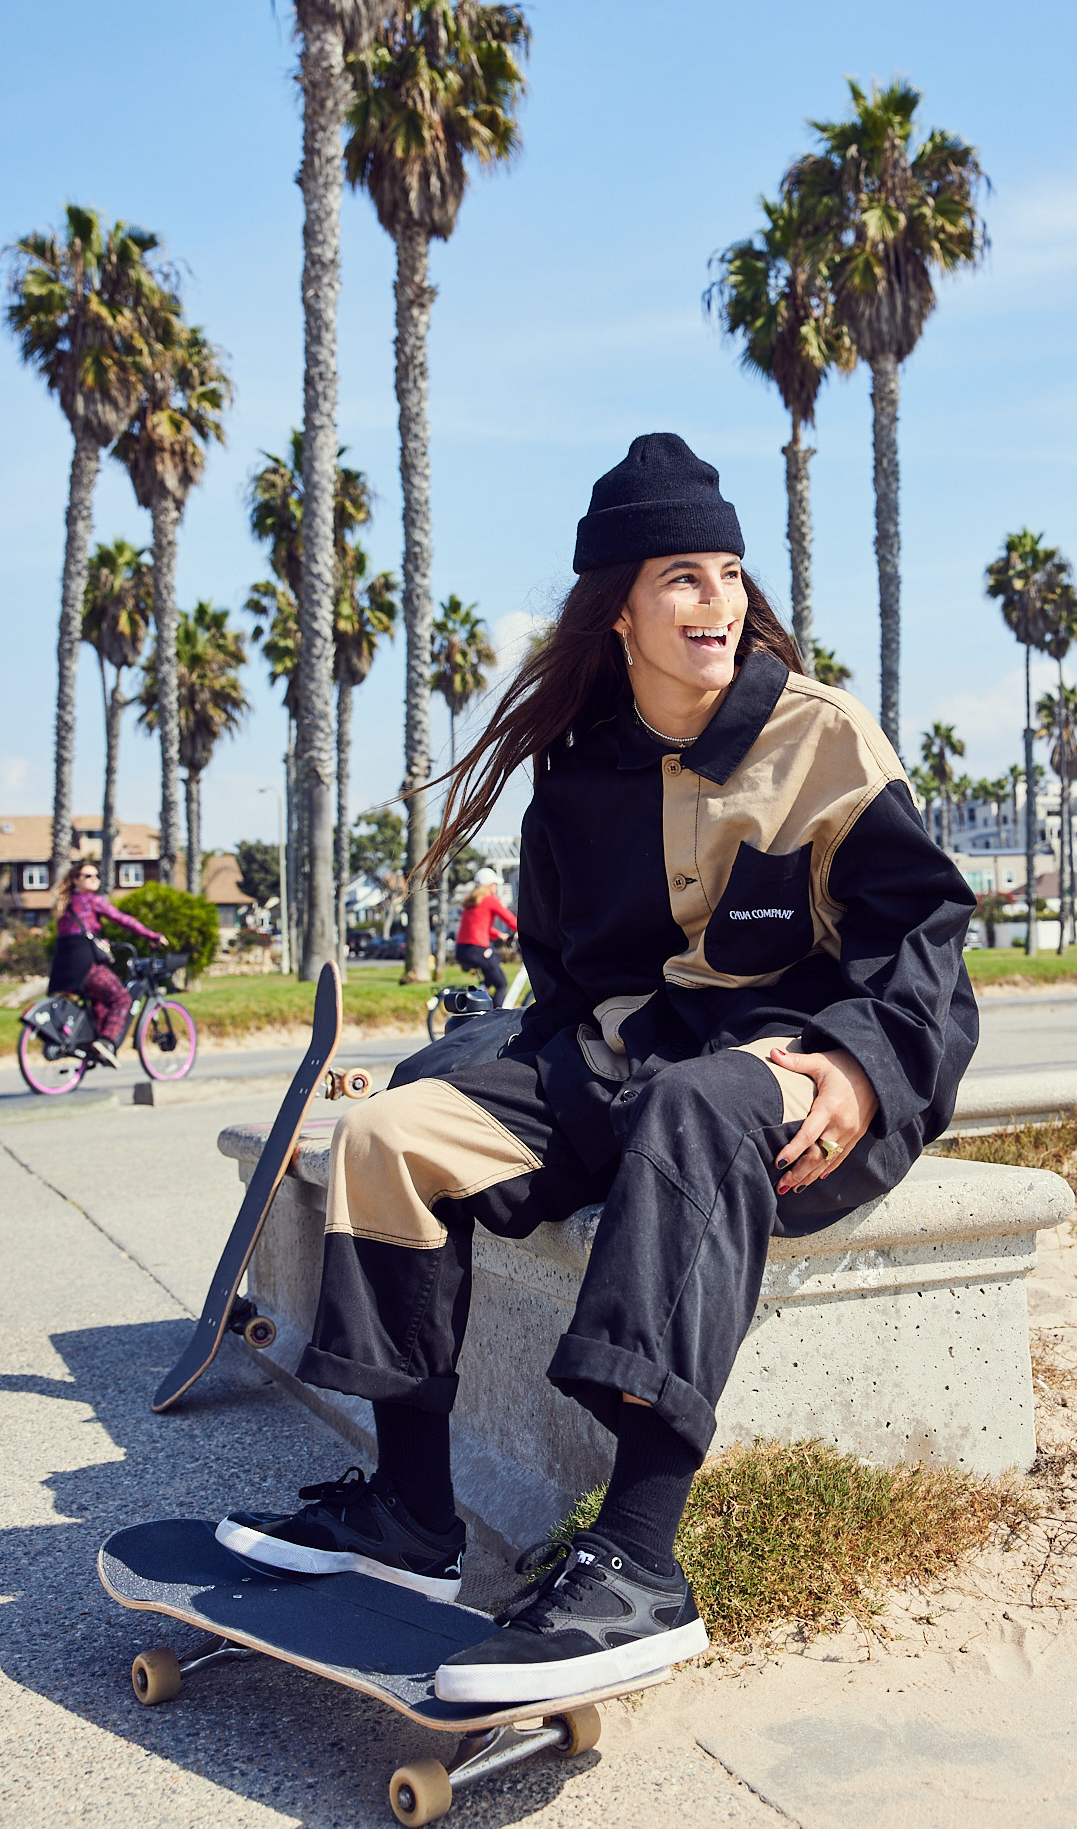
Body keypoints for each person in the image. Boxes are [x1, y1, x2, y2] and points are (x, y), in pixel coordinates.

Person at [217, 433, 978, 1704]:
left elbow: (925, 940)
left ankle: (637, 1560)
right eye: (683, 575)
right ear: (617, 606)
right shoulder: (575, 778)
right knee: (389, 1139)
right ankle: (411, 1516)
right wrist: (449, 1076)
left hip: (796, 1075)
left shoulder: (821, 734)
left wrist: (858, 1066)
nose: (717, 602)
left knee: (694, 1101)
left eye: (729, 572)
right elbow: (565, 988)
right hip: (622, 1068)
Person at [49, 860, 167, 1068]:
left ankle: (92, 1046)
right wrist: (152, 935)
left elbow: (77, 934)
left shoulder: (66, 906)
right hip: (85, 964)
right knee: (121, 998)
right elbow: (122, 919)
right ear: (75, 880)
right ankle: (106, 1042)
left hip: (63, 967)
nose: (94, 879)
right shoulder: (90, 900)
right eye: (88, 876)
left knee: (101, 1002)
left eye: (97, 876)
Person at [453, 866, 517, 1005]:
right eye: (495, 884)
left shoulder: (471, 901)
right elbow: (510, 919)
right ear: (489, 885)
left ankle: (484, 1000)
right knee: (501, 984)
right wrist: (525, 929)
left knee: (493, 963)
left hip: (462, 949)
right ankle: (496, 1018)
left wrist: (499, 934)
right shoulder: (489, 900)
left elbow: (478, 926)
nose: (496, 887)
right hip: (477, 949)